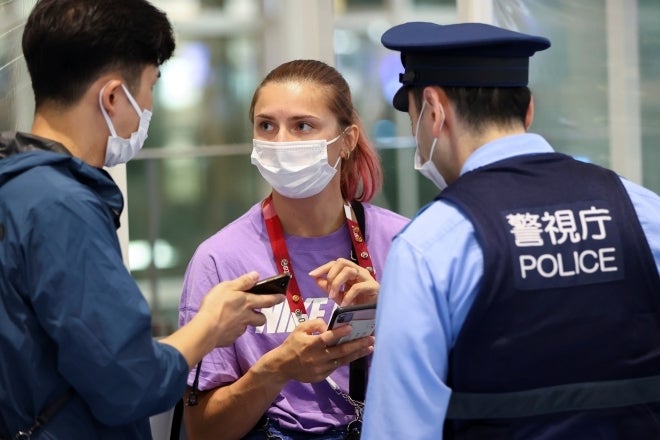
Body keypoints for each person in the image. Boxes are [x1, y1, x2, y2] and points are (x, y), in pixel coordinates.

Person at [362, 21, 660, 440]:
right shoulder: (641, 210)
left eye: (413, 118)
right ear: (529, 108)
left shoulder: (430, 246)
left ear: (434, 109)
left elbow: (399, 429)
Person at [0, 1, 284, 438]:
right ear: (113, 96)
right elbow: (126, 381)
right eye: (151, 85)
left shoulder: (17, 187)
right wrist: (210, 326)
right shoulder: (62, 207)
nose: (149, 104)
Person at [178, 59, 409, 439]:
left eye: (303, 126)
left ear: (347, 140)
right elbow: (204, 430)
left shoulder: (401, 243)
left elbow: (455, 380)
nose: (281, 143)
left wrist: (394, 313)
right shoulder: (219, 259)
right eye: (266, 126)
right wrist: (277, 370)